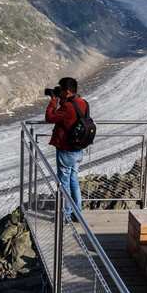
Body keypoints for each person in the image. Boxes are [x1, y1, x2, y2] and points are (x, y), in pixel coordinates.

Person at [45, 77, 88, 222]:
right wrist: (61, 99)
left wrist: (53, 100)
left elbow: (50, 117)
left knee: (63, 184)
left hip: (66, 150)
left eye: (61, 89)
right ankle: (78, 213)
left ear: (68, 92)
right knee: (74, 180)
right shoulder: (83, 103)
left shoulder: (68, 106)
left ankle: (66, 216)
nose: (59, 92)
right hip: (78, 149)